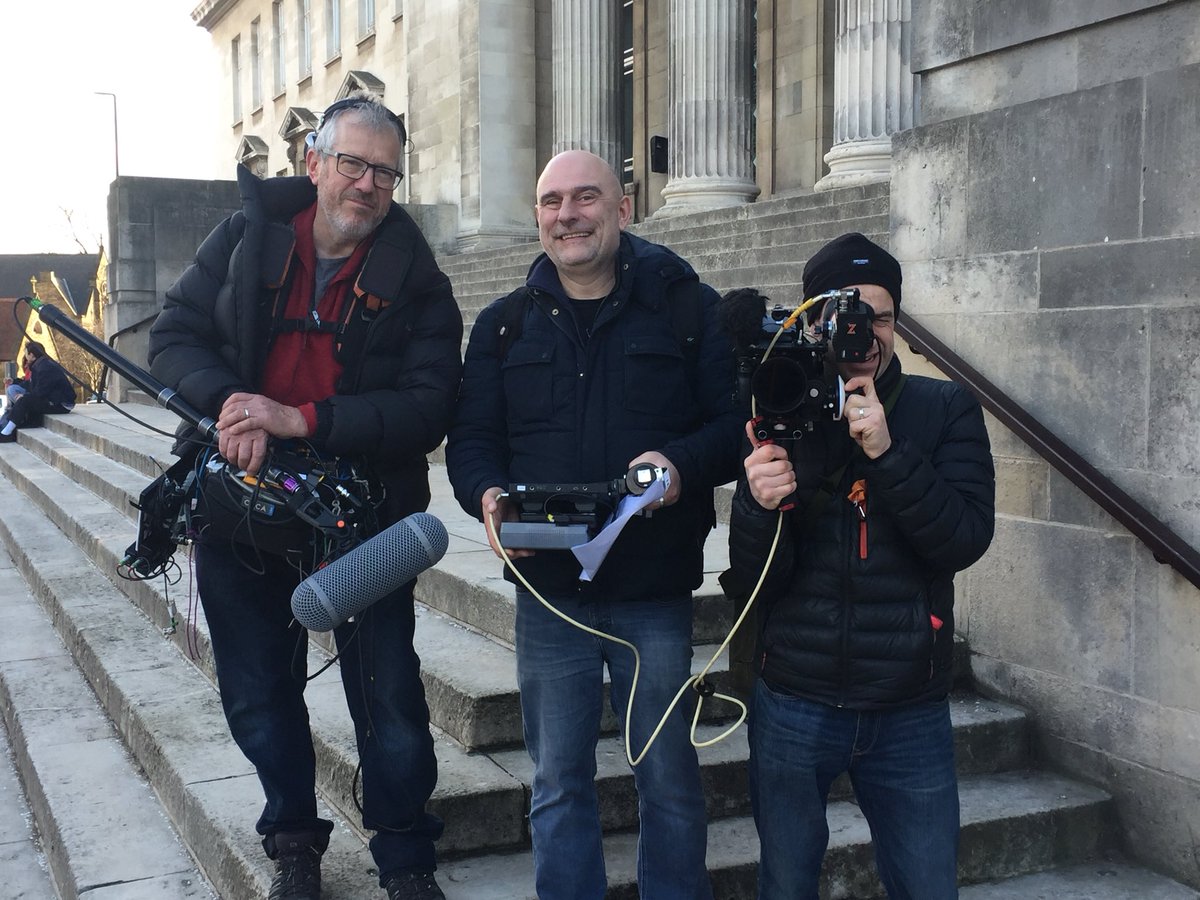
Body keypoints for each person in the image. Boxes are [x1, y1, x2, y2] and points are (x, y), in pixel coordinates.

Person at [147, 92, 462, 900]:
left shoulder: (420, 281)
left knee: (389, 699)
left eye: (385, 172)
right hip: (240, 508)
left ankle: (405, 855)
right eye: (352, 163)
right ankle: (293, 839)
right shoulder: (245, 239)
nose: (367, 184)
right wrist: (229, 404)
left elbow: (429, 406)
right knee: (256, 692)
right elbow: (174, 333)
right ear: (313, 161)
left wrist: (300, 417)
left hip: (365, 518)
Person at [445, 150, 742, 900]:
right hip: (550, 595)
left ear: (623, 207)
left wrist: (680, 465)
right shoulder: (503, 326)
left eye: (585, 198)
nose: (566, 215)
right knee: (557, 782)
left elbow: (736, 425)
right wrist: (484, 495)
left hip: (655, 593)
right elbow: (473, 442)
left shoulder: (686, 307)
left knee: (669, 778)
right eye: (551, 201)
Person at [723, 233, 996, 899]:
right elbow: (753, 576)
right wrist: (760, 504)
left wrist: (887, 449)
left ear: (896, 323)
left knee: (927, 884)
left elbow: (961, 540)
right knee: (785, 881)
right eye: (843, 315)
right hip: (795, 696)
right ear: (812, 320)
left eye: (877, 316)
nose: (862, 334)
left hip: (908, 703)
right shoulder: (781, 405)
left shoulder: (943, 409)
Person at [0, 342, 75, 442]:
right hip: (53, 399)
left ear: (32, 355)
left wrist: (25, 396)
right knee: (17, 393)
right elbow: (31, 384)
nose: (25, 356)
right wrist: (15, 382)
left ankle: (6, 433)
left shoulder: (45, 367)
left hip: (61, 403)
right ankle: (12, 426)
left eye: (26, 353)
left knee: (25, 400)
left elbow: (42, 390)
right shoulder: (40, 365)